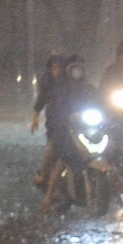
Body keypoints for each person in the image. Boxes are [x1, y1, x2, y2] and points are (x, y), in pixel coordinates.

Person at [39, 56, 102, 206]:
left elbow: (100, 104)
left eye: (80, 68)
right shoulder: (62, 89)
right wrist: (63, 120)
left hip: (87, 129)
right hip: (67, 131)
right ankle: (47, 198)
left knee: (110, 158)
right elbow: (56, 108)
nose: (77, 72)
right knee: (62, 160)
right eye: (74, 68)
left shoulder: (88, 88)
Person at [30, 54, 66, 191]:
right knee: (52, 149)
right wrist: (35, 119)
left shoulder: (70, 83)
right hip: (54, 123)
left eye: (59, 68)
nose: (57, 71)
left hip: (71, 122)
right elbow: (40, 102)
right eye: (54, 68)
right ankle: (44, 176)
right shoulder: (48, 84)